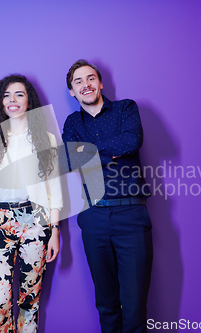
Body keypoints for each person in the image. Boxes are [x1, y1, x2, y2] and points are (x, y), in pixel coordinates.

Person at [62, 60, 153, 333]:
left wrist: (89, 152)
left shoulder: (126, 108)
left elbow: (131, 140)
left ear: (100, 83)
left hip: (131, 216)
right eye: (78, 81)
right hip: (93, 217)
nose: (85, 84)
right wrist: (108, 151)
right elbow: (69, 159)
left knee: (135, 305)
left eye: (90, 78)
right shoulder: (72, 122)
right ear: (72, 92)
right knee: (106, 304)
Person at [0, 74, 62, 333]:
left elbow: (53, 187)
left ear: (29, 101)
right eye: (7, 95)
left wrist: (55, 231)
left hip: (36, 221)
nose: (12, 100)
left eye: (19, 94)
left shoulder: (46, 139)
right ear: (0, 102)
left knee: (29, 300)